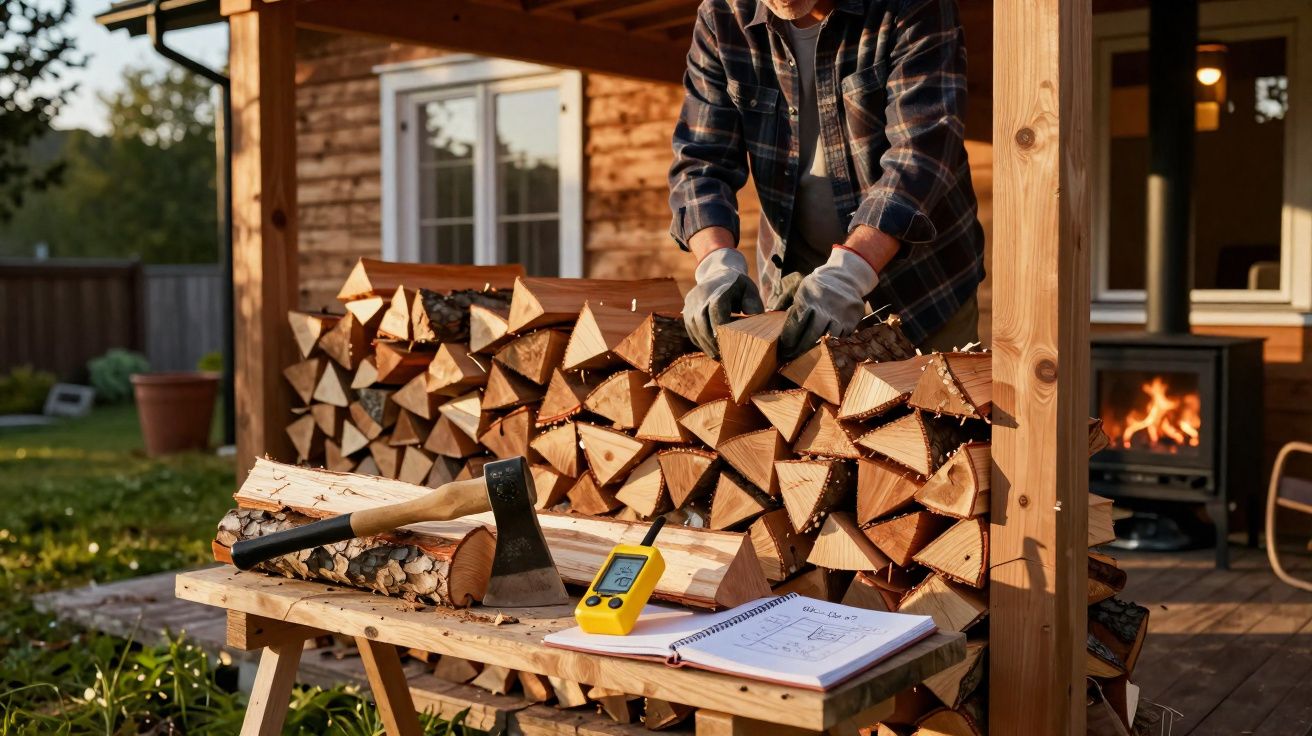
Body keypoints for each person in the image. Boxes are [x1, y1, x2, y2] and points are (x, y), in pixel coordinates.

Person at [670, 0, 985, 360]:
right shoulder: (722, 17)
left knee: (935, 411)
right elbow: (701, 162)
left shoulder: (911, 5)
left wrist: (849, 273)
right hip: (795, 287)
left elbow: (921, 152)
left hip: (924, 290)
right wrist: (716, 264)